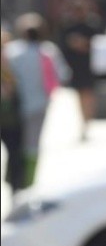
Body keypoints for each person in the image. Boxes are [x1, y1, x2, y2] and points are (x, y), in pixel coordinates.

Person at [5, 13, 71, 188]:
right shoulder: (48, 51)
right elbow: (63, 75)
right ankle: (29, 181)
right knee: (33, 144)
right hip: (39, 105)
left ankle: (17, 181)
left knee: (16, 146)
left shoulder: (12, 52)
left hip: (15, 107)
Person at [60, 0, 102, 142]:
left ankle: (87, 124)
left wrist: (85, 44)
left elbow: (100, 44)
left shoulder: (93, 25)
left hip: (90, 66)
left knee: (89, 96)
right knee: (79, 97)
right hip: (75, 67)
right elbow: (62, 46)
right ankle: (83, 123)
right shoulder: (68, 26)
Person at [0, 28, 24, 194]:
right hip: (9, 114)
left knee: (14, 151)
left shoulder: (12, 59)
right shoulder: (11, 59)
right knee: (14, 150)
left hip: (9, 114)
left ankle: (15, 184)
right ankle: (15, 184)